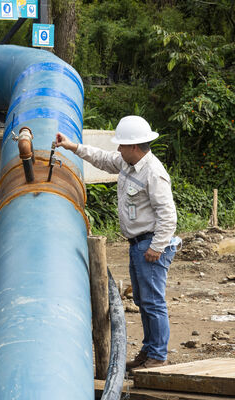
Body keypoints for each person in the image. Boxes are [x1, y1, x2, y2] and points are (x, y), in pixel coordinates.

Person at [56, 115, 178, 370]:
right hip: (138, 244)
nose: (118, 149)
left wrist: (157, 247)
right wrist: (72, 146)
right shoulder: (127, 163)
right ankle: (149, 351)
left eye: (121, 145)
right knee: (143, 301)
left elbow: (168, 214)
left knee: (153, 301)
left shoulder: (153, 172)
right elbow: (101, 158)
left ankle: (158, 356)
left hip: (150, 244)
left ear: (134, 146)